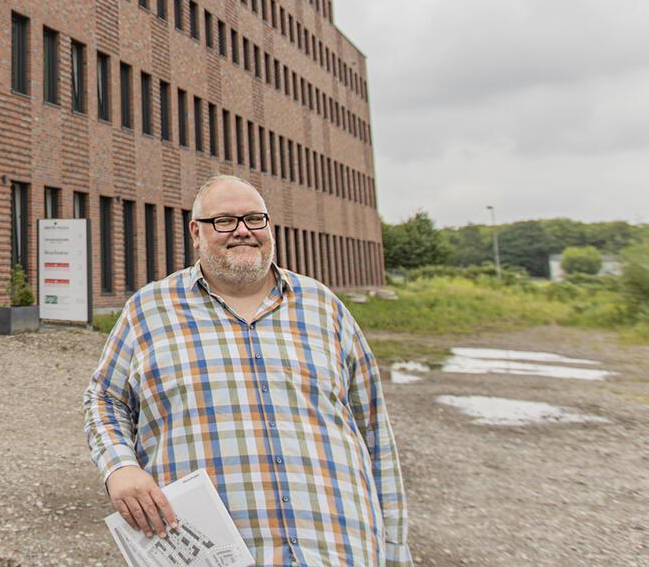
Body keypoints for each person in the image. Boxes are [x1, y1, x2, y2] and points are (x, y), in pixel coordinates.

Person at [84, 174, 410, 565]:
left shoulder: (323, 307)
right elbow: (104, 400)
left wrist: (394, 549)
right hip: (208, 552)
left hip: (337, 552)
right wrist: (120, 467)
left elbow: (374, 432)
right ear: (196, 232)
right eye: (224, 221)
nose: (243, 231)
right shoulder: (150, 310)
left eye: (255, 219)